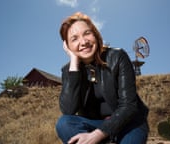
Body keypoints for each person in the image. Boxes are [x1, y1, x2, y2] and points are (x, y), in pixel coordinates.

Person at [55, 12, 149, 144]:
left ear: (95, 35)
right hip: (95, 124)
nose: (83, 42)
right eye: (74, 39)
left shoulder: (117, 57)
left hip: (128, 124)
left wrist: (97, 135)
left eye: (87, 33)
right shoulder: (69, 70)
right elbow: (68, 110)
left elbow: (129, 106)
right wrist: (74, 61)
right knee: (64, 123)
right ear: (67, 46)